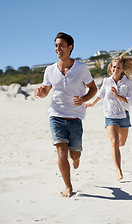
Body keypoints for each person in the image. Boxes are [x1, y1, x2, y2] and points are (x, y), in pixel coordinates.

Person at [34, 32, 97, 197]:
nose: (57, 48)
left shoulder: (81, 68)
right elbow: (46, 90)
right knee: (61, 152)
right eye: (56, 45)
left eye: (61, 45)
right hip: (56, 115)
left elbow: (93, 89)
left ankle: (76, 158)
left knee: (74, 154)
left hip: (76, 118)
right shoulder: (49, 70)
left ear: (70, 47)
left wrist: (83, 99)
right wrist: (40, 93)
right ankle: (68, 186)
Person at [86, 50, 132, 181]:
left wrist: (118, 95)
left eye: (118, 67)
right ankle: (119, 171)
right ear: (110, 68)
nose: (116, 69)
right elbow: (101, 94)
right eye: (114, 67)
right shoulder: (107, 81)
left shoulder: (127, 82)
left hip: (123, 115)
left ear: (122, 69)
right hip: (110, 114)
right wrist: (91, 104)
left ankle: (118, 153)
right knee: (115, 142)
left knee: (122, 143)